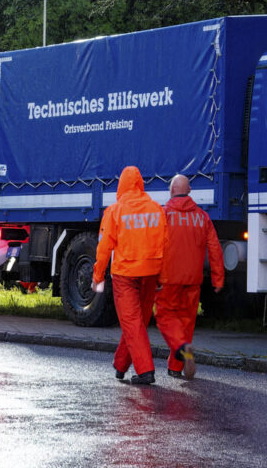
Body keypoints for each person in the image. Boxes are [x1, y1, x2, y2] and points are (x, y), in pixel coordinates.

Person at [93, 165, 166, 385]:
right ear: (141, 184)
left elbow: (104, 248)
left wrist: (97, 276)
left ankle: (145, 370)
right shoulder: (156, 209)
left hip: (125, 274)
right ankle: (121, 364)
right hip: (151, 272)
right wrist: (161, 276)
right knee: (137, 321)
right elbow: (166, 244)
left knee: (131, 321)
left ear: (121, 186)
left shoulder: (115, 211)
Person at [156, 174, 224, 379]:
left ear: (171, 191)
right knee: (185, 322)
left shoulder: (163, 214)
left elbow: (154, 247)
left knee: (166, 317)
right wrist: (218, 278)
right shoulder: (202, 217)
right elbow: (215, 249)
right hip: (193, 281)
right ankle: (175, 367)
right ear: (190, 190)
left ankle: (183, 348)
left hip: (168, 279)